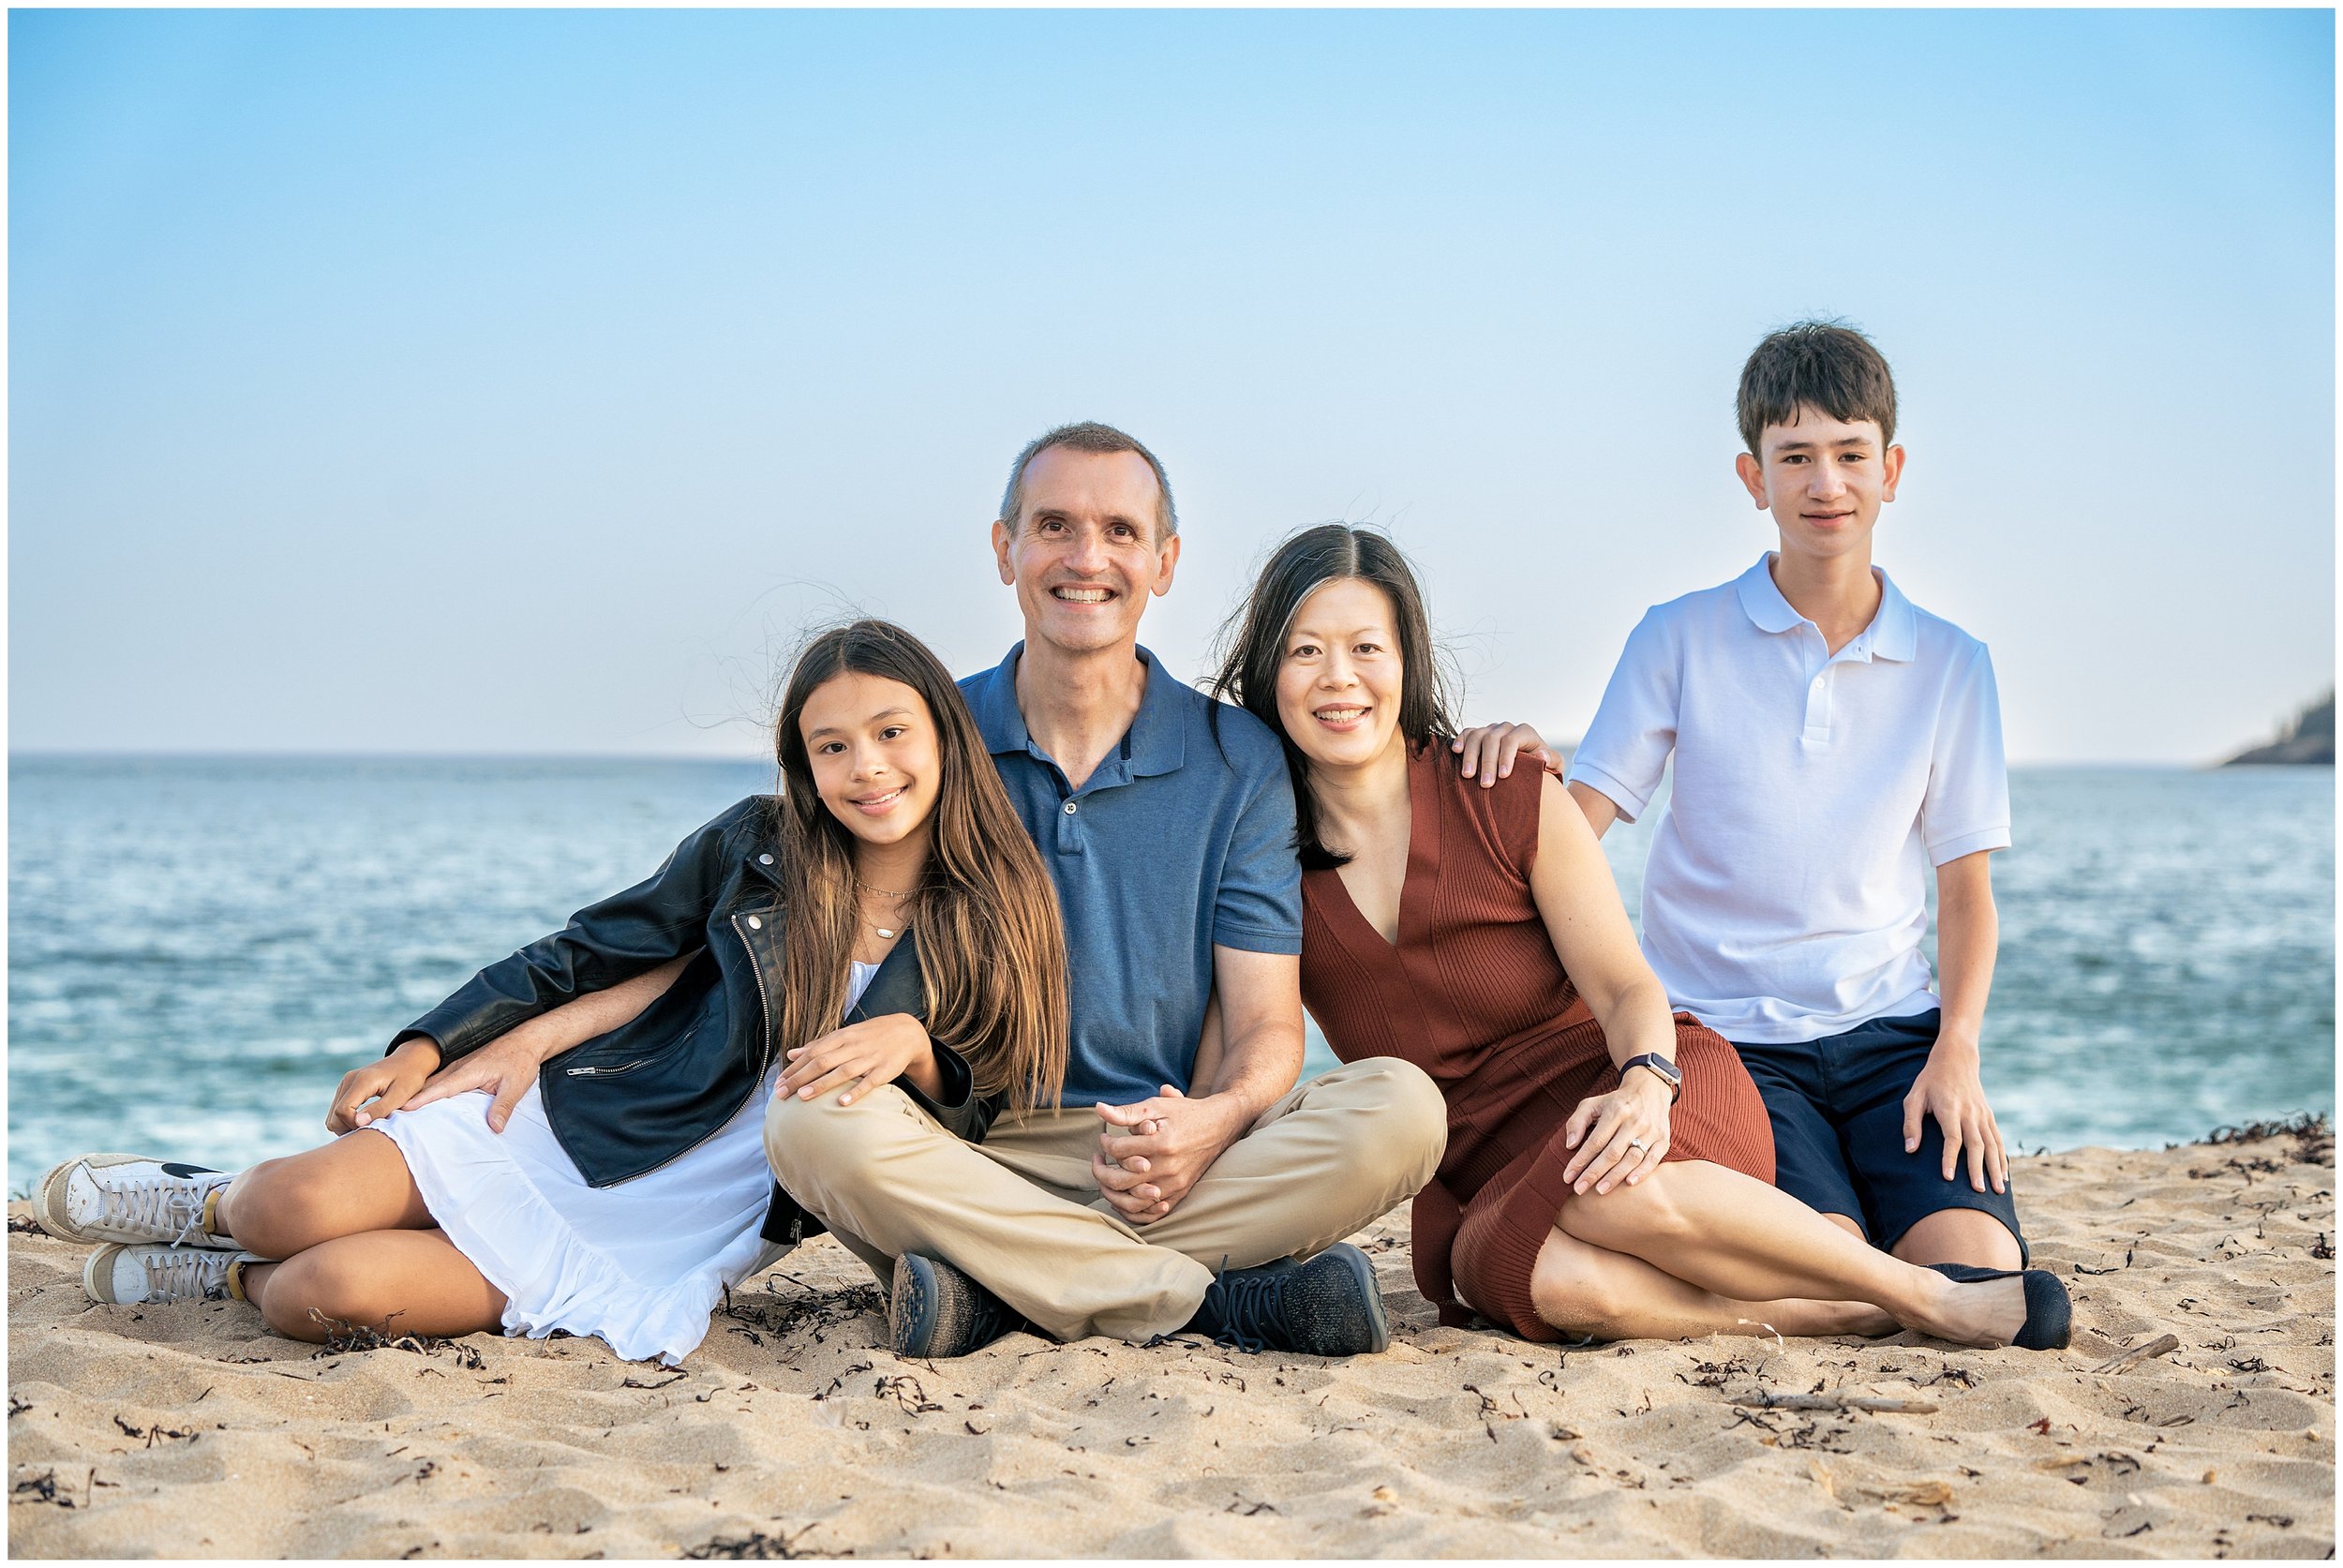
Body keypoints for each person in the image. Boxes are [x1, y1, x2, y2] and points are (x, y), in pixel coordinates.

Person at [35, 620, 1070, 1366]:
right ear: (803, 764)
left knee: (320, 1291)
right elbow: (591, 947)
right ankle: (204, 1202)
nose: (866, 767)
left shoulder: (999, 907)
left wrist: (917, 1047)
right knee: (286, 1200)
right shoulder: (758, 845)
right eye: (831, 744)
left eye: (891, 732)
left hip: (677, 1227)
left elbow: (988, 1112)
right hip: (588, 1118)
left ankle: (216, 1274)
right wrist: (427, 1046)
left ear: (943, 731)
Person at [1209, 522, 2069, 1349]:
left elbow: (1625, 987)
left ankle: (1922, 1293)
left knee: (1601, 1185)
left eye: (1367, 648)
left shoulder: (1505, 790)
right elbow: (1244, 1036)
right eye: (1305, 650)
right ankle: (1845, 1315)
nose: (1339, 678)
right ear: (1270, 671)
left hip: (1637, 1080)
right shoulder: (1260, 861)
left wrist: (1646, 1084)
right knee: (1537, 1279)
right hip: (1478, 1168)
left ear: (1406, 661)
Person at [761, 422, 1450, 1360]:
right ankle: (1208, 1303)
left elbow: (1266, 1030)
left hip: (1170, 1157)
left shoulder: (1235, 757)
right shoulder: (925, 735)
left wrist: (1205, 1124)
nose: (1087, 558)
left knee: (1403, 1106)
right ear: (1005, 550)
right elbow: (767, 897)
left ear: (1163, 561)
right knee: (804, 1119)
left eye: (1120, 531)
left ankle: (1001, 1289)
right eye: (1054, 525)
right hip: (969, 1149)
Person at [1459, 321, 2031, 1277]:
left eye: (1850, 455)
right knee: (1827, 1256)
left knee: (1979, 1265)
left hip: (1893, 1036)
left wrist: (1957, 1049)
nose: (1824, 484)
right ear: (1751, 476)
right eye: (1794, 457)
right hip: (1726, 1040)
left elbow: (1965, 892)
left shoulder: (1951, 664)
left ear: (1891, 468)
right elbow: (1578, 826)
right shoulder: (1677, 636)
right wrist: (1521, 772)